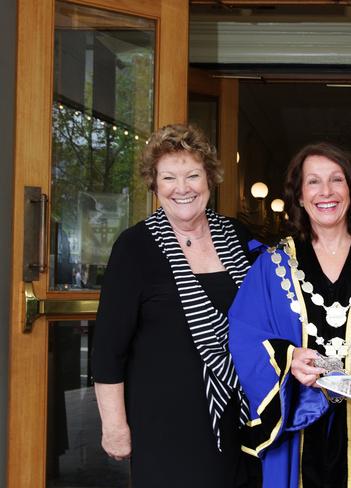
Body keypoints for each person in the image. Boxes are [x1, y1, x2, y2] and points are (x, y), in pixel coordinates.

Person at [228, 142, 351, 488]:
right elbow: (244, 334)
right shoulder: (272, 264)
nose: (326, 192)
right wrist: (288, 358)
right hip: (297, 422)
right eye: (313, 182)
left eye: (336, 180)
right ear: (299, 195)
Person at [92, 124, 256, 487]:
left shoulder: (241, 238)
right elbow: (108, 348)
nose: (182, 188)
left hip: (241, 419)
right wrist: (114, 425)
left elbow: (272, 316)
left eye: (193, 175)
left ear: (210, 179)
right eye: (168, 178)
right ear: (154, 186)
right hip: (164, 425)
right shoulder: (134, 248)